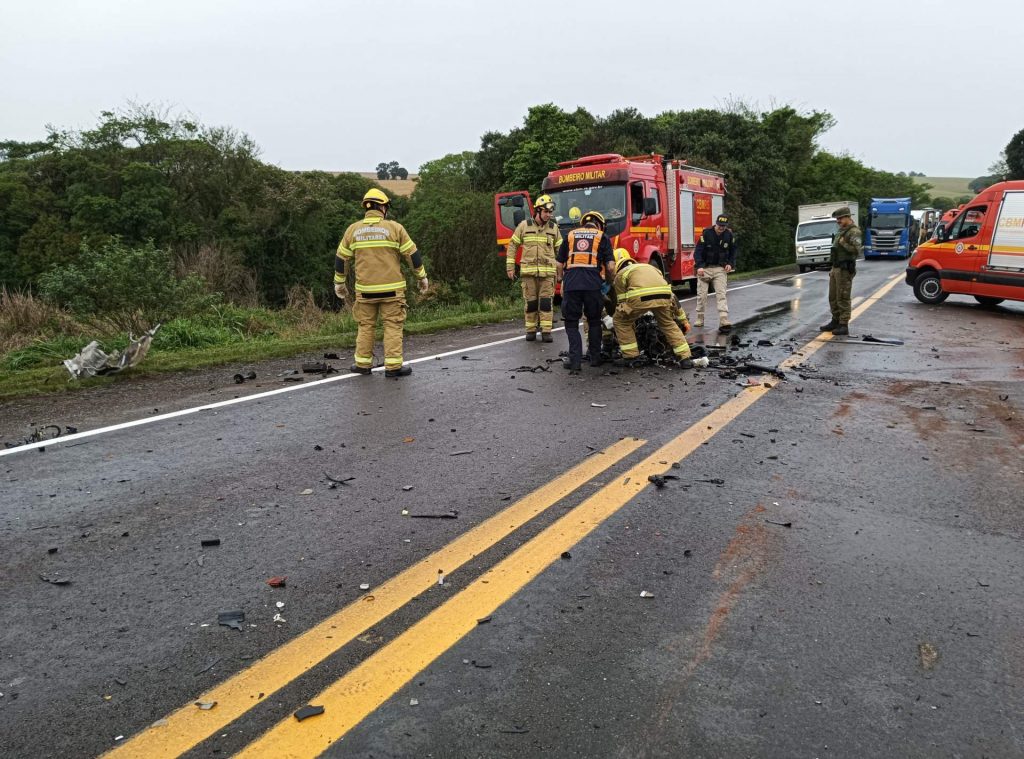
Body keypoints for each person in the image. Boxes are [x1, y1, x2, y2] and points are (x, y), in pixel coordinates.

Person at [334, 188, 428, 377]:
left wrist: (339, 283)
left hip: (365, 291)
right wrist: (422, 277)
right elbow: (412, 255)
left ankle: (362, 364)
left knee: (365, 325)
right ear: (382, 207)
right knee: (392, 325)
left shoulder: (353, 230)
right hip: (392, 291)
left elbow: (341, 258)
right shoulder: (395, 228)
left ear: (367, 207)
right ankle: (393, 367)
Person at [609, 249, 693, 368]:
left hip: (640, 299)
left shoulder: (620, 275)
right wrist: (683, 320)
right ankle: (685, 358)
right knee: (668, 323)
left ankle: (631, 357)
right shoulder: (651, 268)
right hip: (664, 296)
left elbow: (622, 302)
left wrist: (631, 316)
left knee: (621, 321)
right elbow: (673, 298)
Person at [556, 210, 615, 372]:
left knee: (571, 323)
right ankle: (595, 358)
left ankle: (575, 362)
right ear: (600, 225)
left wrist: (560, 279)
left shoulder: (570, 235)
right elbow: (610, 267)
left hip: (572, 285)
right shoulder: (602, 237)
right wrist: (609, 283)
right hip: (592, 285)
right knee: (594, 320)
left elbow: (559, 264)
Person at [506, 194, 561, 341]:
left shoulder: (553, 228)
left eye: (550, 212)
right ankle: (530, 330)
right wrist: (510, 267)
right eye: (546, 211)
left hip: (547, 274)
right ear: (538, 211)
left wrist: (562, 270)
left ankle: (546, 331)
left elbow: (560, 251)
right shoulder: (524, 226)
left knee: (546, 303)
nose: (549, 215)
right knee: (531, 303)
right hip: (529, 274)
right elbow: (513, 245)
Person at [818, 206, 862, 336]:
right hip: (836, 268)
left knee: (843, 297)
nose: (838, 221)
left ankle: (843, 325)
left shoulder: (854, 232)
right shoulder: (841, 231)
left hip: (845, 269)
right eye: (837, 219)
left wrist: (844, 244)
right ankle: (835, 320)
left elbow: (857, 250)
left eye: (840, 218)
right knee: (833, 296)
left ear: (848, 217)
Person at [693, 213, 737, 331]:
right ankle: (700, 318)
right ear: (715, 224)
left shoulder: (729, 235)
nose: (721, 228)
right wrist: (699, 266)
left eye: (723, 226)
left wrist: (730, 264)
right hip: (705, 268)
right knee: (702, 295)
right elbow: (698, 251)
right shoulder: (706, 233)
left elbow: (733, 251)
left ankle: (724, 319)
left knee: (721, 294)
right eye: (719, 225)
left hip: (720, 269)